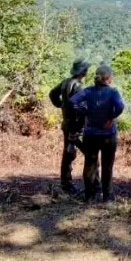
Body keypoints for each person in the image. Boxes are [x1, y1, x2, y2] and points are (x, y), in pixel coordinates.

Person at [69, 63, 124, 203]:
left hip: (91, 134)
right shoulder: (113, 92)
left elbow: (72, 101)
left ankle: (89, 196)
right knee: (107, 166)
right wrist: (110, 118)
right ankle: (107, 197)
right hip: (108, 135)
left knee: (89, 164)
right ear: (109, 78)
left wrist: (85, 111)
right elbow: (120, 106)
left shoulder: (88, 91)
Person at [48, 58, 96, 196]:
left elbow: (52, 94)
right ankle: (78, 184)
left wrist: (60, 105)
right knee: (82, 153)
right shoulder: (79, 86)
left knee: (68, 152)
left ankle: (66, 182)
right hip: (76, 124)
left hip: (66, 123)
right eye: (86, 69)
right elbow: (81, 107)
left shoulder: (65, 82)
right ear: (83, 72)